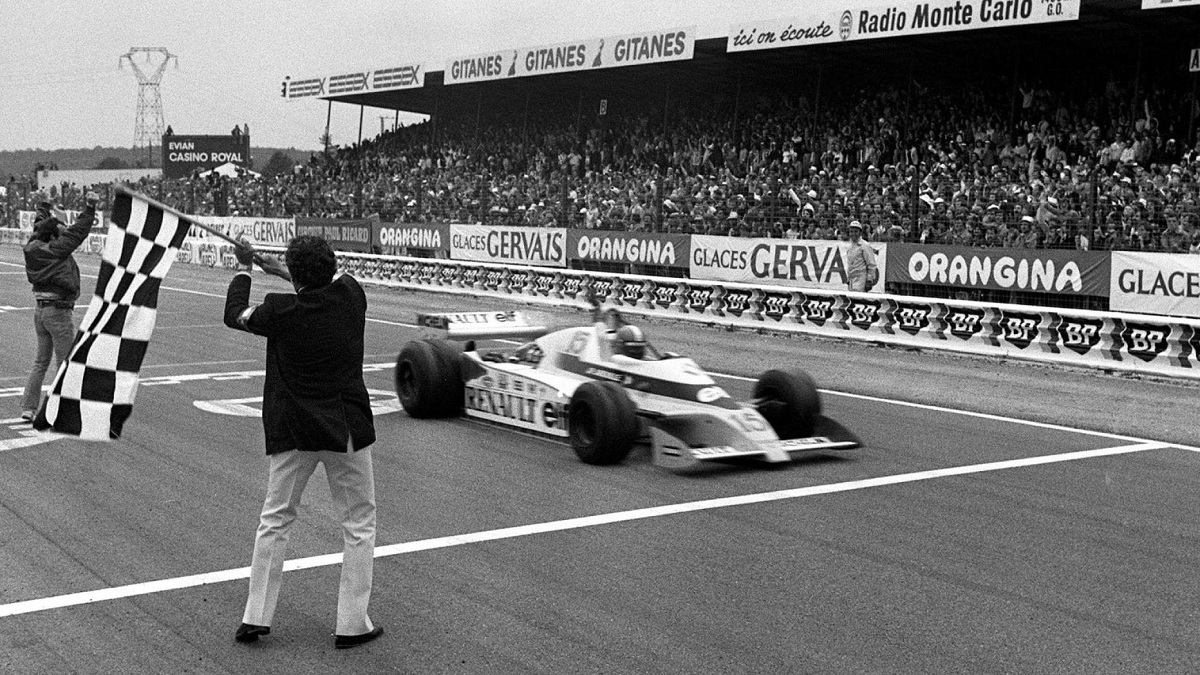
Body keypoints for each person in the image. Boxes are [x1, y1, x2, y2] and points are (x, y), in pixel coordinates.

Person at [223, 234, 383, 649]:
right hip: (344, 426)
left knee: (275, 520)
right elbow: (331, 279)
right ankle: (352, 623)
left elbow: (235, 313)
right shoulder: (351, 296)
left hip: (294, 429)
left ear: (294, 276)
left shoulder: (280, 310)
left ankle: (255, 616)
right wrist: (283, 269)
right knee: (359, 524)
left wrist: (244, 266)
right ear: (331, 267)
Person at [19, 192, 98, 422]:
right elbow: (77, 233)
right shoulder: (55, 250)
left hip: (40, 311)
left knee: (40, 362)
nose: (64, 232)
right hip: (58, 310)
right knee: (66, 363)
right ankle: (61, 409)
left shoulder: (33, 246)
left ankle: (28, 407)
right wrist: (90, 207)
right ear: (54, 236)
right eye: (60, 231)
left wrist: (44, 205)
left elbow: (39, 225)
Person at [844, 220, 878, 293]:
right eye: (851, 231)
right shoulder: (850, 246)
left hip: (861, 278)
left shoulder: (865, 245)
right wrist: (848, 278)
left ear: (860, 233)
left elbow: (871, 264)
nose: (853, 234)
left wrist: (869, 280)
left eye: (856, 231)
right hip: (851, 279)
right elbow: (850, 263)